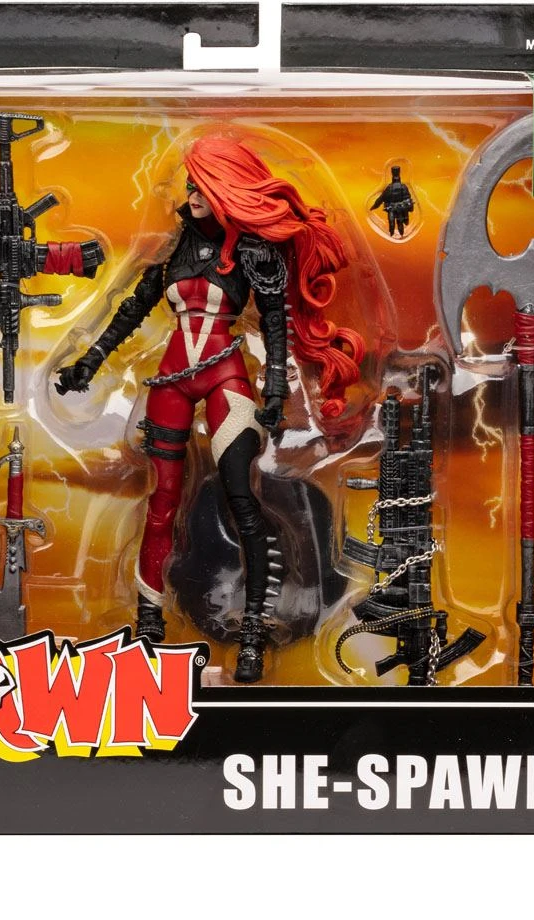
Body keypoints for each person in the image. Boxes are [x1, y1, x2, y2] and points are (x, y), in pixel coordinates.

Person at [55, 135, 365, 682]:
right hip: (173, 378)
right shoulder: (175, 249)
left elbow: (275, 319)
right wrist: (90, 362)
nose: (192, 195)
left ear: (225, 190)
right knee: (162, 502)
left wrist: (275, 389)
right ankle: (149, 621)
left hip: (225, 375)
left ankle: (253, 635)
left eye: (202, 185)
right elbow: (132, 308)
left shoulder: (253, 252)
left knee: (244, 501)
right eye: (190, 185)